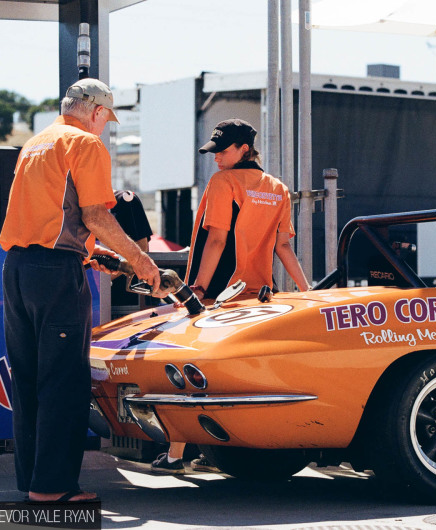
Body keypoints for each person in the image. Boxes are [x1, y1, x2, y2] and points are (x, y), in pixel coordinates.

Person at [0, 78, 160, 504]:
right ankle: (53, 488)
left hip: (17, 269)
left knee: (30, 378)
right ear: (95, 110)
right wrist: (141, 261)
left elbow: (54, 218)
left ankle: (34, 483)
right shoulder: (85, 145)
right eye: (107, 116)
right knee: (63, 380)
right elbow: (96, 217)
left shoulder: (35, 144)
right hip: (55, 274)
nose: (106, 126)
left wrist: (94, 254)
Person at [152, 118, 309, 473]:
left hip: (217, 296)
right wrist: (306, 292)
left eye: (222, 151)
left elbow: (218, 240)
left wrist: (199, 288)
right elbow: (284, 247)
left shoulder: (224, 182)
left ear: (243, 150)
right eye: (213, 152)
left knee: (190, 372)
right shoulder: (278, 188)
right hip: (259, 296)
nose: (216, 158)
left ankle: (177, 456)